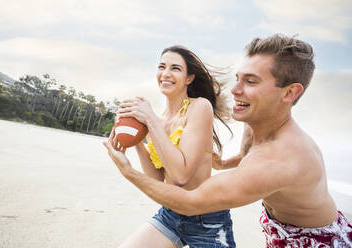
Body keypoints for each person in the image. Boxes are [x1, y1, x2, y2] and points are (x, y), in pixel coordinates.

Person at [104, 34, 352, 247]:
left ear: (289, 92)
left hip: (318, 241)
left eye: (251, 81)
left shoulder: (281, 159)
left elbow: (191, 202)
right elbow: (245, 157)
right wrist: (223, 164)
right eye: (238, 78)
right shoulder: (256, 126)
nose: (235, 89)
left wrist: (128, 171)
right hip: (273, 231)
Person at [109, 45, 236, 247]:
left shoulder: (200, 107)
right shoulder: (157, 121)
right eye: (162, 66)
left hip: (207, 222)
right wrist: (136, 140)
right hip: (171, 213)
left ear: (189, 78)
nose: (165, 73)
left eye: (175, 68)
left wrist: (149, 120)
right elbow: (158, 180)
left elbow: (181, 176)